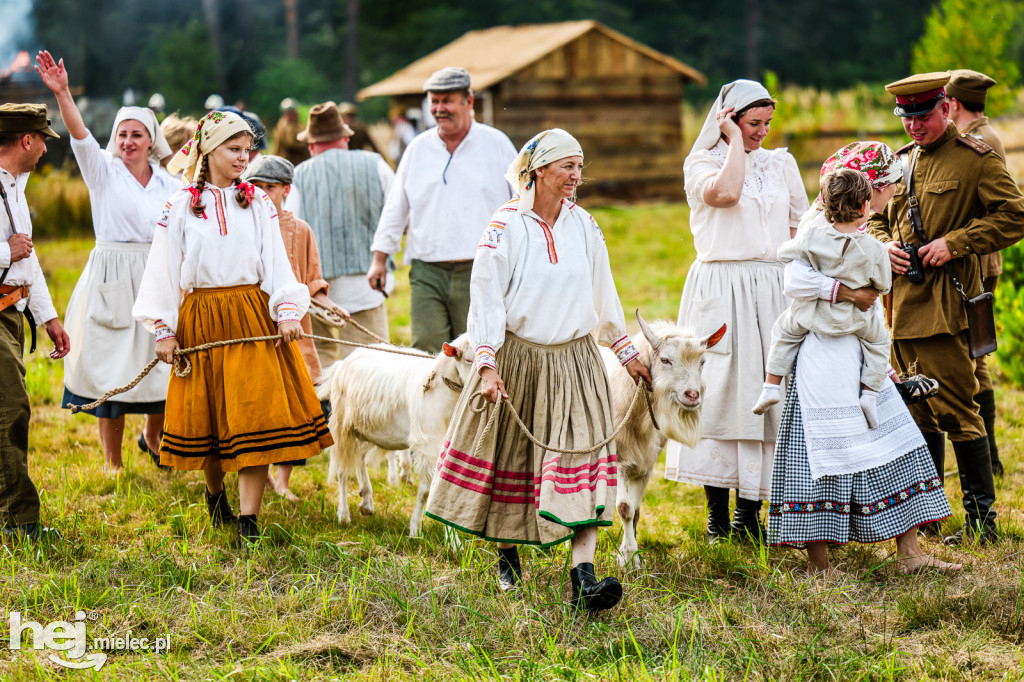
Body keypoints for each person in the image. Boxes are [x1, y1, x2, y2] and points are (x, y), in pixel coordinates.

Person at [424, 129, 651, 612]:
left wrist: (625, 351)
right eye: (567, 166)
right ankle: (508, 556)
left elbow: (602, 288)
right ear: (538, 171)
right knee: (515, 460)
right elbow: (484, 299)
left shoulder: (584, 224)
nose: (576, 175)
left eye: (579, 165)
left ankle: (583, 578)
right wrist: (486, 362)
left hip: (576, 361)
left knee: (581, 463)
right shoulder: (504, 226)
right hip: (520, 360)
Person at [132, 111, 333, 544]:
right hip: (202, 319)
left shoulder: (258, 203)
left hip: (250, 312)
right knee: (210, 415)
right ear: (208, 150)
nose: (244, 158)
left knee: (255, 412)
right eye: (234, 149)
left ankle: (249, 520)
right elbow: (164, 270)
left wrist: (286, 310)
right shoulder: (180, 206)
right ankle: (214, 492)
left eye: (247, 149)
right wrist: (164, 330)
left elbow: (275, 259)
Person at [867, 72, 1024, 545]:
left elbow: (1014, 215)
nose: (914, 126)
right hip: (899, 308)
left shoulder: (976, 158)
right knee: (917, 415)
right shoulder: (901, 162)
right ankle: (931, 515)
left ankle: (982, 522)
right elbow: (875, 216)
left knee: (957, 409)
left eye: (922, 116)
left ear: (946, 108)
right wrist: (884, 246)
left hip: (947, 303)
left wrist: (956, 243)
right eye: (906, 118)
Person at [662, 79, 809, 543]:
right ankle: (717, 517)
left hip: (771, 287)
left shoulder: (781, 163)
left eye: (767, 122)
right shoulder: (701, 164)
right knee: (719, 392)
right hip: (721, 286)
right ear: (727, 119)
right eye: (752, 123)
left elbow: (799, 227)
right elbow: (724, 196)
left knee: (765, 395)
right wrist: (732, 144)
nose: (762, 131)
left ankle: (751, 513)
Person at [36, 50, 179, 475]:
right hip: (112, 273)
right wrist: (62, 92)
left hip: (156, 274)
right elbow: (80, 136)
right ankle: (112, 462)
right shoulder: (102, 171)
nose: (128, 142)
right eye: (122, 135)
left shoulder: (171, 183)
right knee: (111, 365)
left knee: (163, 364)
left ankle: (153, 437)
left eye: (137, 134)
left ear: (151, 140)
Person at [368, 66, 517, 353]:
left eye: (447, 100)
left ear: (468, 101)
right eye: (434, 101)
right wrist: (379, 258)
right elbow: (396, 207)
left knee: (478, 350)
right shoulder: (418, 149)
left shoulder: (497, 145)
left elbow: (523, 203)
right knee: (426, 349)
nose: (439, 109)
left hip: (481, 268)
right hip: (427, 269)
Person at [242, 154, 347, 500]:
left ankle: (283, 481)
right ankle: (255, 469)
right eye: (254, 185)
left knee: (294, 404)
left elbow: (313, 279)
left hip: (294, 329)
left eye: (269, 187)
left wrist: (330, 307)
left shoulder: (301, 230)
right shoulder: (242, 225)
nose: (261, 192)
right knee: (258, 403)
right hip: (253, 325)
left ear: (286, 189)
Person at [753, 169, 891, 428]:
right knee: (880, 343)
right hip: (856, 320)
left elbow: (784, 253)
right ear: (864, 206)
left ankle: (771, 386)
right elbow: (883, 285)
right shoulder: (875, 248)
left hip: (812, 315)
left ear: (826, 207)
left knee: (783, 330)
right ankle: (870, 395)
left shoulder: (812, 237)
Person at [0, 102, 70, 540]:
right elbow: (18, 251)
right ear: (27, 140)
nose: (46, 148)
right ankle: (19, 522)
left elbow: (30, 258)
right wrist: (9, 251)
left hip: (12, 311)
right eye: (43, 139)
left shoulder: (16, 185)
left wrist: (49, 318)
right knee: (10, 412)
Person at [289, 102, 395, 365]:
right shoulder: (376, 165)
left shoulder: (299, 176)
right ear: (346, 137)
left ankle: (325, 406)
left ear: (311, 144)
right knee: (372, 365)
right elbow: (397, 216)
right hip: (368, 282)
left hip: (317, 289)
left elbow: (291, 232)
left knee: (321, 361)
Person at [947, 69, 1007, 477]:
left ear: (951, 104)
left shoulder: (978, 142)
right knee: (977, 351)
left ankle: (989, 458)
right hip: (983, 261)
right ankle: (992, 457)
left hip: (975, 262)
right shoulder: (987, 133)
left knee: (975, 353)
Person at [271, 98, 309, 167]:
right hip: (285, 164)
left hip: (301, 164)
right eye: (289, 112)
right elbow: (289, 143)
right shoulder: (281, 127)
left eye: (293, 112)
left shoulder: (300, 126)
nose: (292, 115)